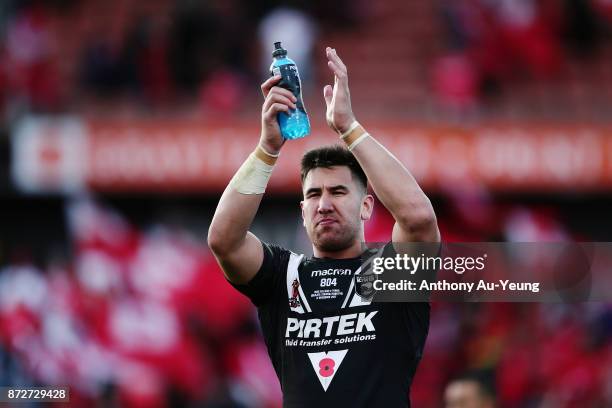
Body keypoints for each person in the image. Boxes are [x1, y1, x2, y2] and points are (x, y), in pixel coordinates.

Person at [207, 47, 440, 407]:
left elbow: (418, 219)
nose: (324, 204)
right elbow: (223, 240)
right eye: (313, 194)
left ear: (366, 206)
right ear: (303, 211)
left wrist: (349, 129)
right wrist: (268, 148)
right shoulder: (282, 277)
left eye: (338, 192)